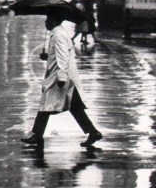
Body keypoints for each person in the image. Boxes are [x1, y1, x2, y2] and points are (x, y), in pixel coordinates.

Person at [22, 12, 103, 148]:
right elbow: (58, 55)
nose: (45, 22)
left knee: (46, 104)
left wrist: (62, 78)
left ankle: (36, 134)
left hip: (59, 78)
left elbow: (62, 57)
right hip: (62, 76)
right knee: (74, 107)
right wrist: (47, 56)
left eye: (48, 19)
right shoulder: (58, 32)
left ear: (54, 20)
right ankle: (93, 132)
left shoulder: (58, 34)